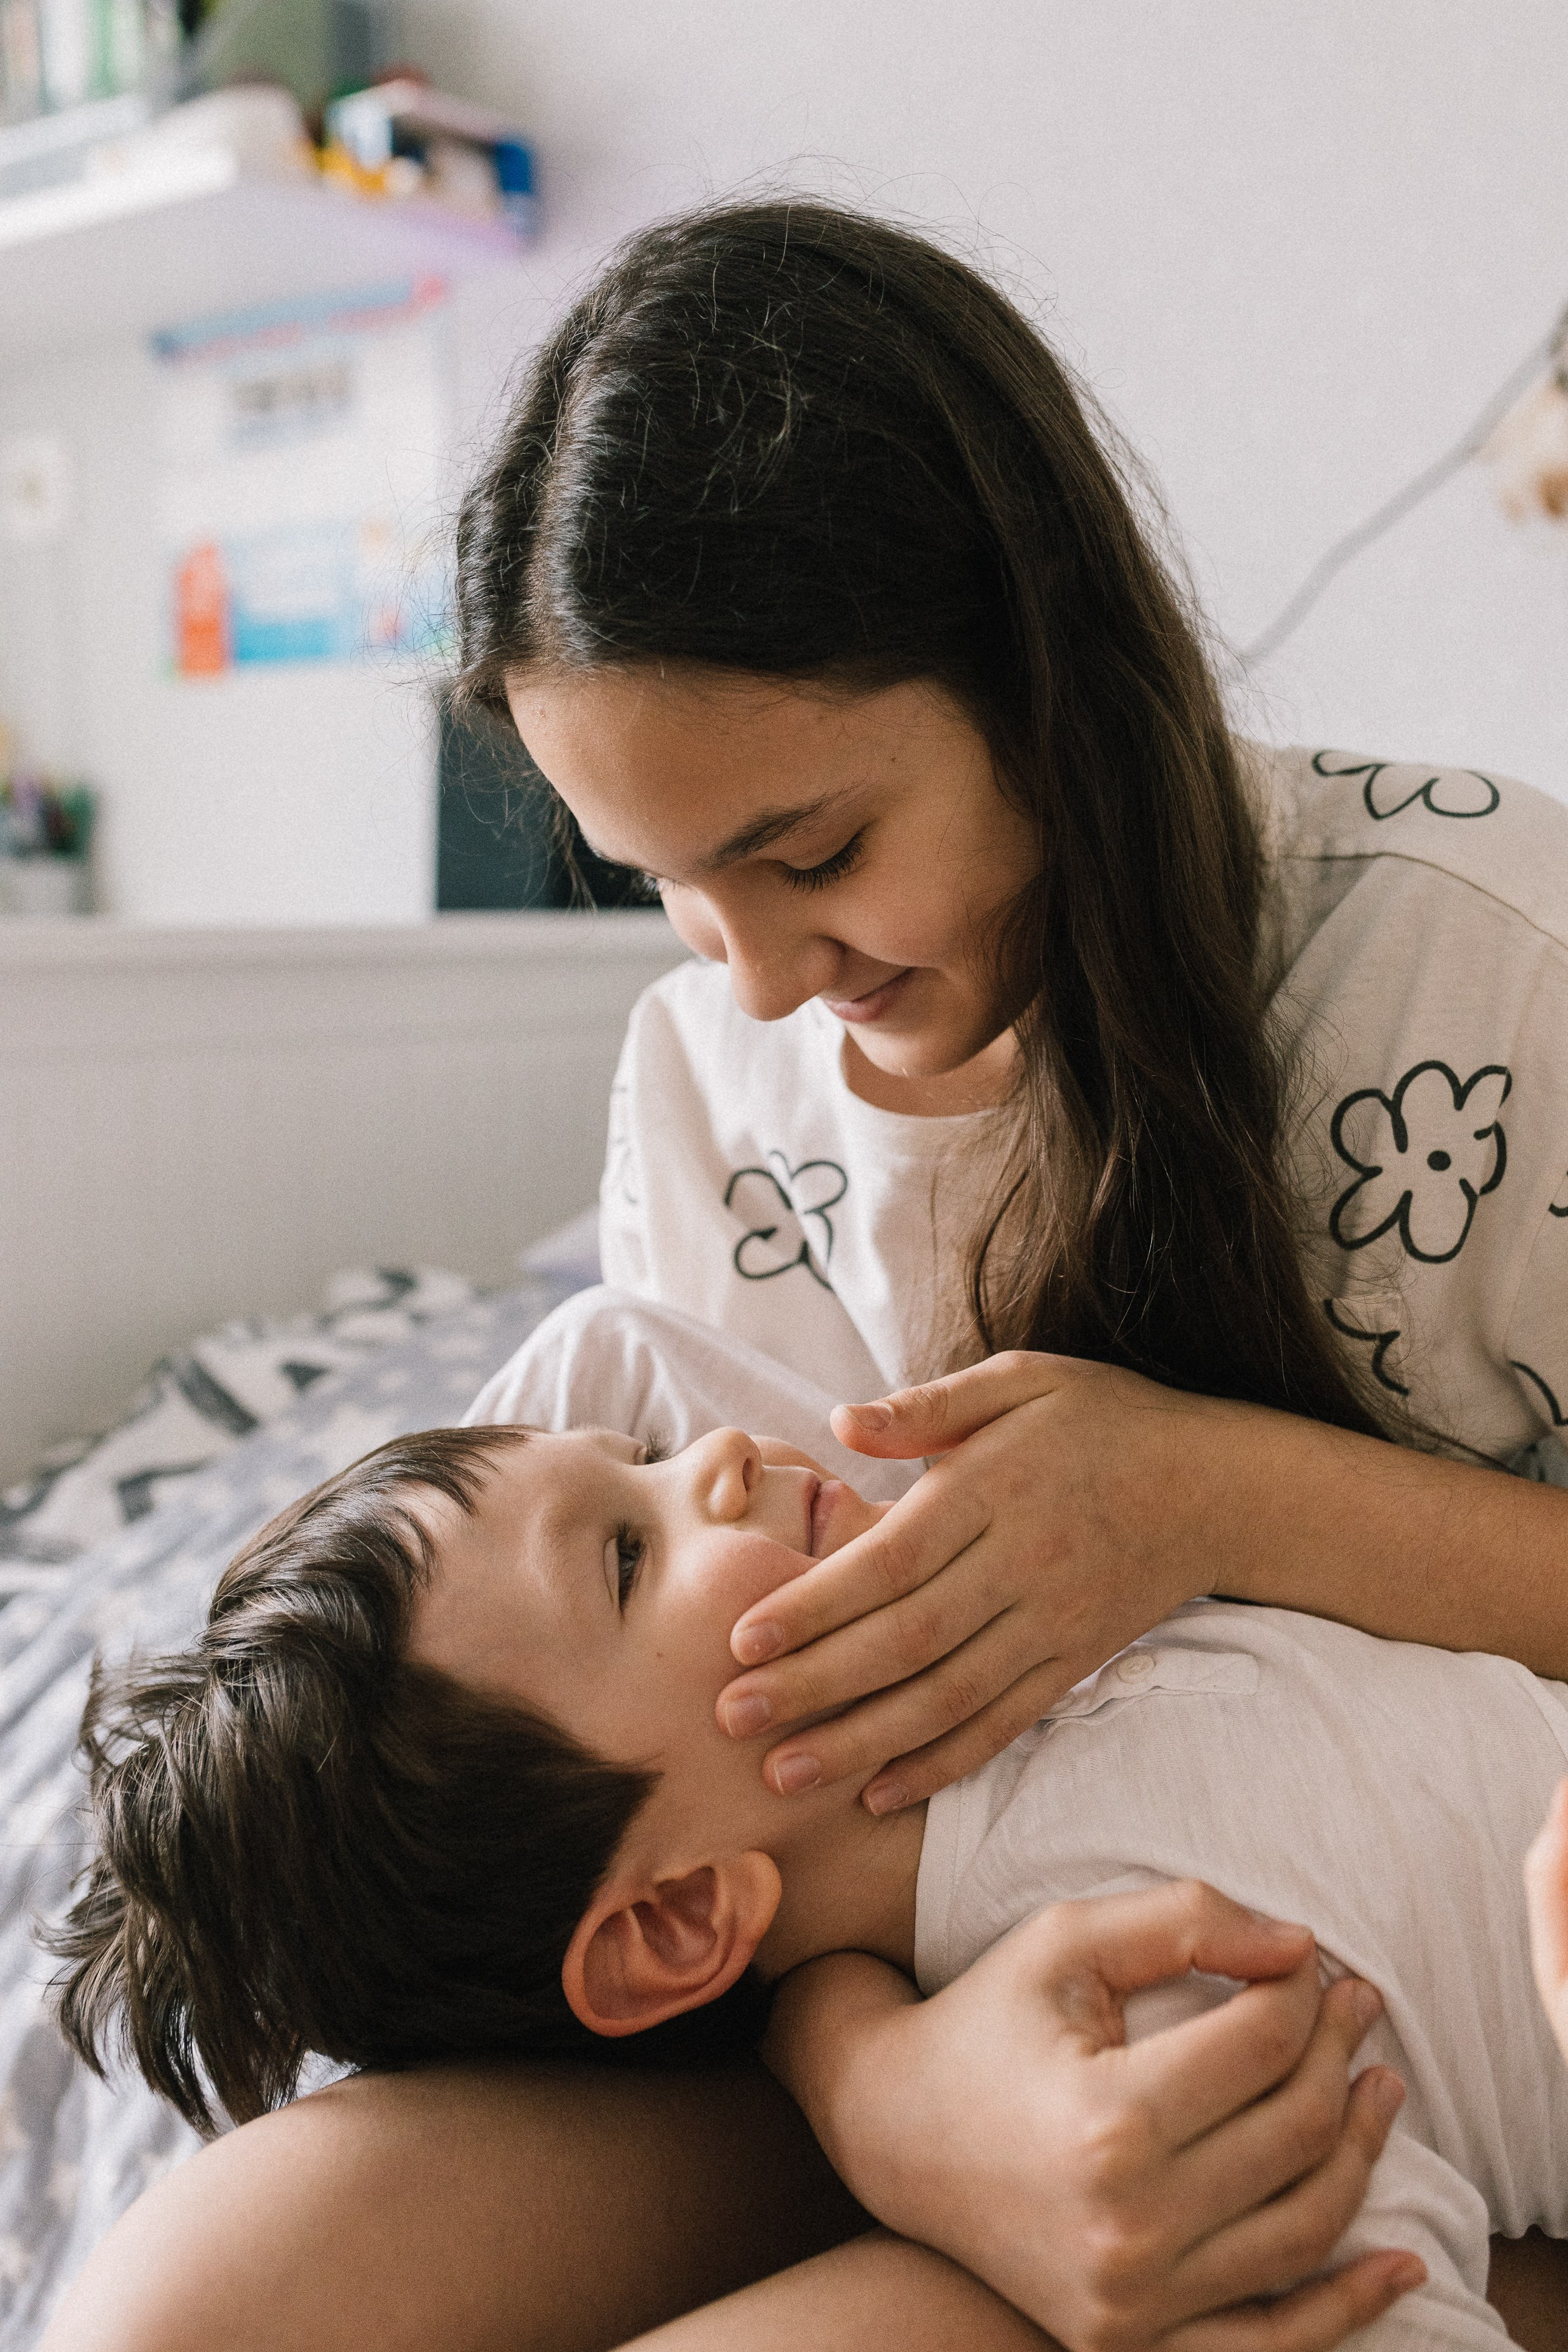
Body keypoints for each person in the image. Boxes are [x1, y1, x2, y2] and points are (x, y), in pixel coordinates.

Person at [41, 198, 1568, 2350]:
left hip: (1398, 2006)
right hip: (914, 2007)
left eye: (812, 851)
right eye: (666, 887)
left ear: (1039, 669)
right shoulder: (711, 1082)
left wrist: (1211, 1495)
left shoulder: (1490, 974)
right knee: (187, 2310)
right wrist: (886, 2092)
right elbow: (648, 1792)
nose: (754, 980)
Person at [46, 1301, 1568, 2350]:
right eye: (629, 1552)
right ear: (673, 1916)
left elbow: (613, 1344)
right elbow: (1375, 2293)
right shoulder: (1134, 1988)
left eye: (635, 1456)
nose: (708, 1449)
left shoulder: (970, 1593)